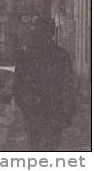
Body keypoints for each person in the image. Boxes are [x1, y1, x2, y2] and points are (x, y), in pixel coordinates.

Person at [13, 16, 76, 151]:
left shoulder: (27, 55)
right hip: (48, 115)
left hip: (39, 115)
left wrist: (27, 110)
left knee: (38, 149)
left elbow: (17, 88)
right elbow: (70, 88)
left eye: (43, 31)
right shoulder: (62, 55)